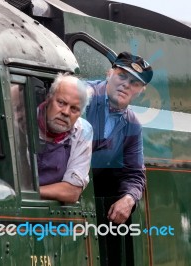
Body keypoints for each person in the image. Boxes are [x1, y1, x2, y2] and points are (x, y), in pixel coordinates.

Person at [86, 51, 153, 265]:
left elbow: (135, 174)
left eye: (134, 83)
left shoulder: (132, 124)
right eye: (121, 76)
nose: (126, 84)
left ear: (141, 91)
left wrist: (129, 198)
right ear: (109, 73)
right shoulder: (82, 96)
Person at [37, 73, 93, 203]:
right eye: (61, 103)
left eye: (74, 109)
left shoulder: (83, 131)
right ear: (49, 98)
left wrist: (23, 194)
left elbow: (71, 192)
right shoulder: (21, 118)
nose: (66, 112)